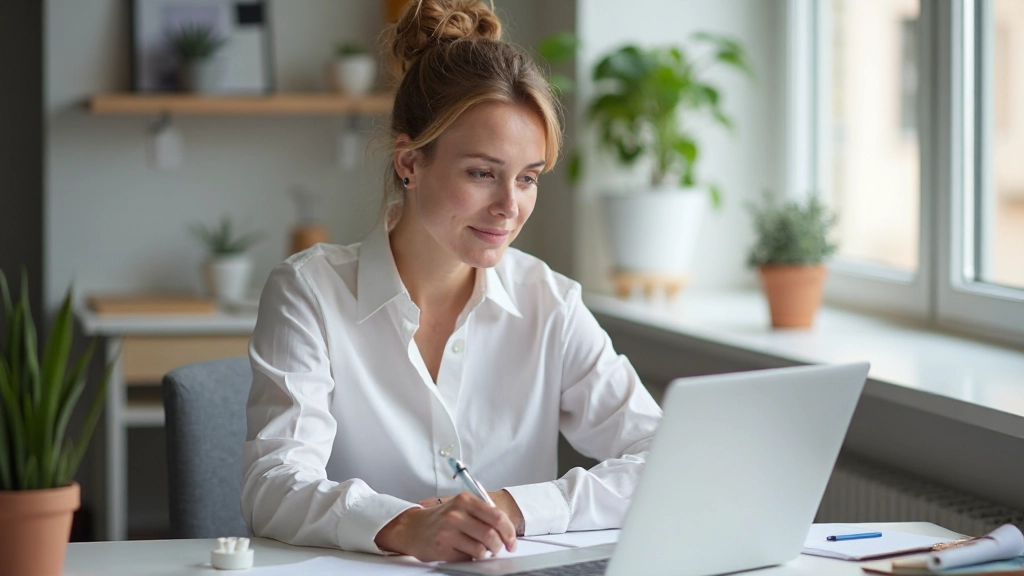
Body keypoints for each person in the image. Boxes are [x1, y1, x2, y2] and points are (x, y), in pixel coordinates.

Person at [240, 0, 661, 563]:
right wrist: (407, 525)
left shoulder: (550, 302)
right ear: (410, 162)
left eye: (528, 178)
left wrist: (516, 509)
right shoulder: (310, 291)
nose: (509, 207)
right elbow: (273, 484)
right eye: (482, 174)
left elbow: (662, 455)